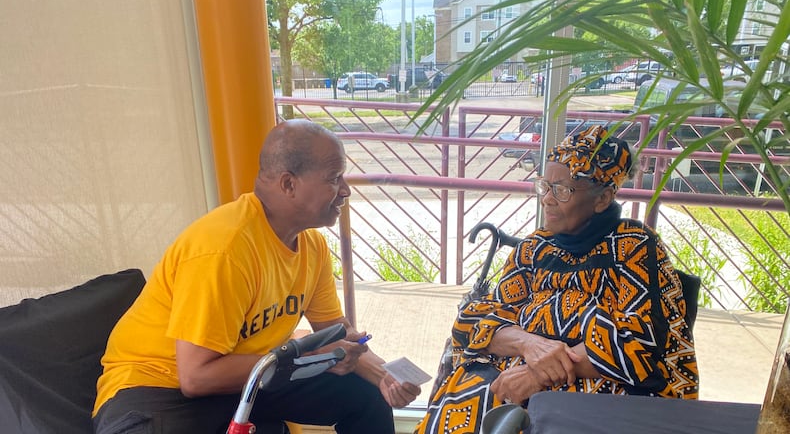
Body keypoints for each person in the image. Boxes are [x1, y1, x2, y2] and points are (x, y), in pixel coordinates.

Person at [92, 119, 420, 434]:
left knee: (365, 397)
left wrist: (383, 377)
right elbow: (196, 378)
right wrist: (303, 356)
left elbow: (334, 333)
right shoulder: (225, 249)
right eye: (334, 178)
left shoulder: (312, 245)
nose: (346, 190)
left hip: (248, 379)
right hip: (157, 386)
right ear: (289, 184)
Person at [414, 125, 698, 434]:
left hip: (600, 385)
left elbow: (642, 343)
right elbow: (473, 322)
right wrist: (530, 344)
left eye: (561, 190)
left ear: (602, 198)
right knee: (466, 402)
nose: (546, 200)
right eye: (544, 186)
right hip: (513, 376)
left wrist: (539, 374)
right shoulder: (534, 249)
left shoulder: (635, 247)